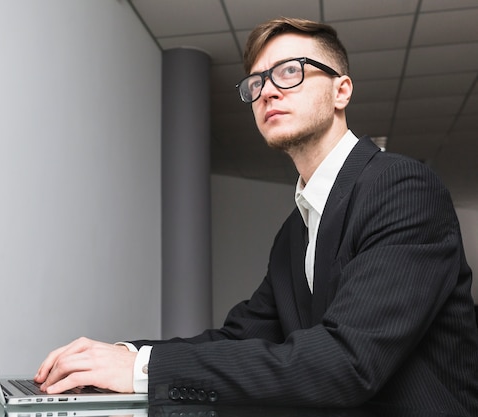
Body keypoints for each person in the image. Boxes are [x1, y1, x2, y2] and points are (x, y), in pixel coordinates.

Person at [34, 17, 478, 415]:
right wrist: (122, 354)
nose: (267, 90)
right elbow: (242, 338)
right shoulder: (295, 231)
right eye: (256, 82)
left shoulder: (401, 187)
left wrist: (142, 369)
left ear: (341, 90)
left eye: (290, 71)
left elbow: (347, 363)